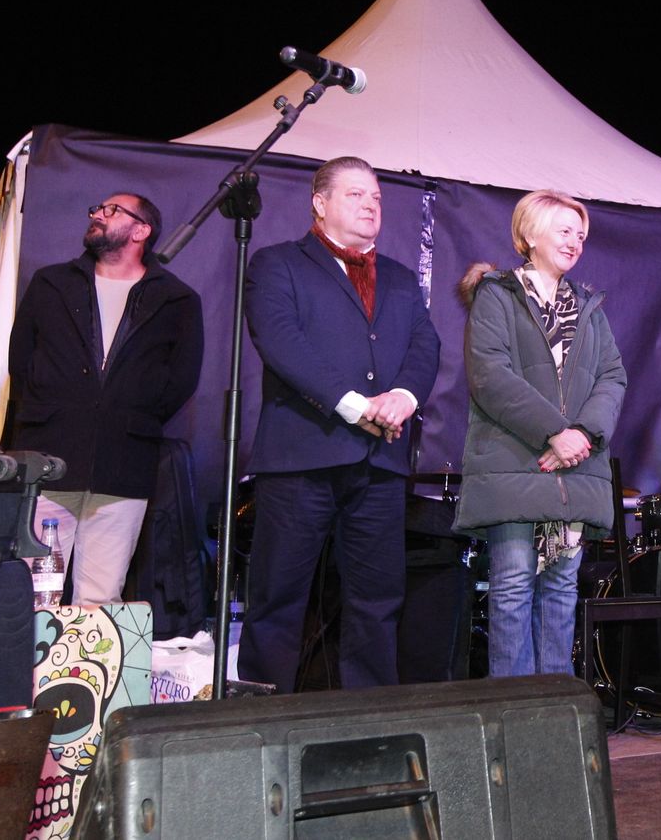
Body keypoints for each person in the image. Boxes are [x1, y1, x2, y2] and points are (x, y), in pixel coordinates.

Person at [241, 157, 440, 692]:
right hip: (301, 457)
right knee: (279, 596)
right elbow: (282, 342)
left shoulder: (400, 277)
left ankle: (369, 718)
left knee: (378, 599)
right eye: (355, 195)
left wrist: (402, 396)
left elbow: (425, 345)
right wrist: (355, 405)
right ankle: (261, 718)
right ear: (320, 203)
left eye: (376, 197)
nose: (370, 205)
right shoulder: (278, 263)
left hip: (379, 463)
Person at [453, 190, 626, 677]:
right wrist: (554, 432)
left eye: (581, 235)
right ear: (529, 234)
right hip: (515, 464)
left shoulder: (589, 307)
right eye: (564, 231)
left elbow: (613, 376)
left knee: (561, 589)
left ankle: (556, 706)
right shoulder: (497, 294)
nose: (575, 242)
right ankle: (513, 708)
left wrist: (583, 435)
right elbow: (490, 375)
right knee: (512, 586)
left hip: (575, 472)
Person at [7, 193, 204, 604]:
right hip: (49, 459)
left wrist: (128, 415)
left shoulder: (176, 299)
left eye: (112, 210)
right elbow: (21, 362)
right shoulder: (51, 283)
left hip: (123, 465)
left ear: (141, 230)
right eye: (97, 208)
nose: (98, 214)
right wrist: (54, 411)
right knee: (31, 594)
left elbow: (180, 380)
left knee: (100, 600)